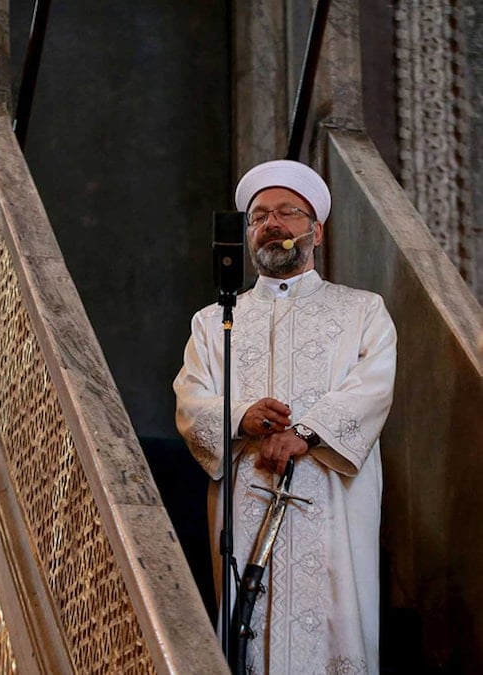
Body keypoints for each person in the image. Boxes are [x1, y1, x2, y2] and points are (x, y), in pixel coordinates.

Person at [173, 159, 396, 673]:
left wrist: (305, 433)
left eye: (287, 213)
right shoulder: (214, 322)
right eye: (259, 216)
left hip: (330, 492)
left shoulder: (362, 310)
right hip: (247, 492)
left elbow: (373, 387)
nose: (271, 224)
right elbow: (191, 399)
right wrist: (241, 417)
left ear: (314, 230)